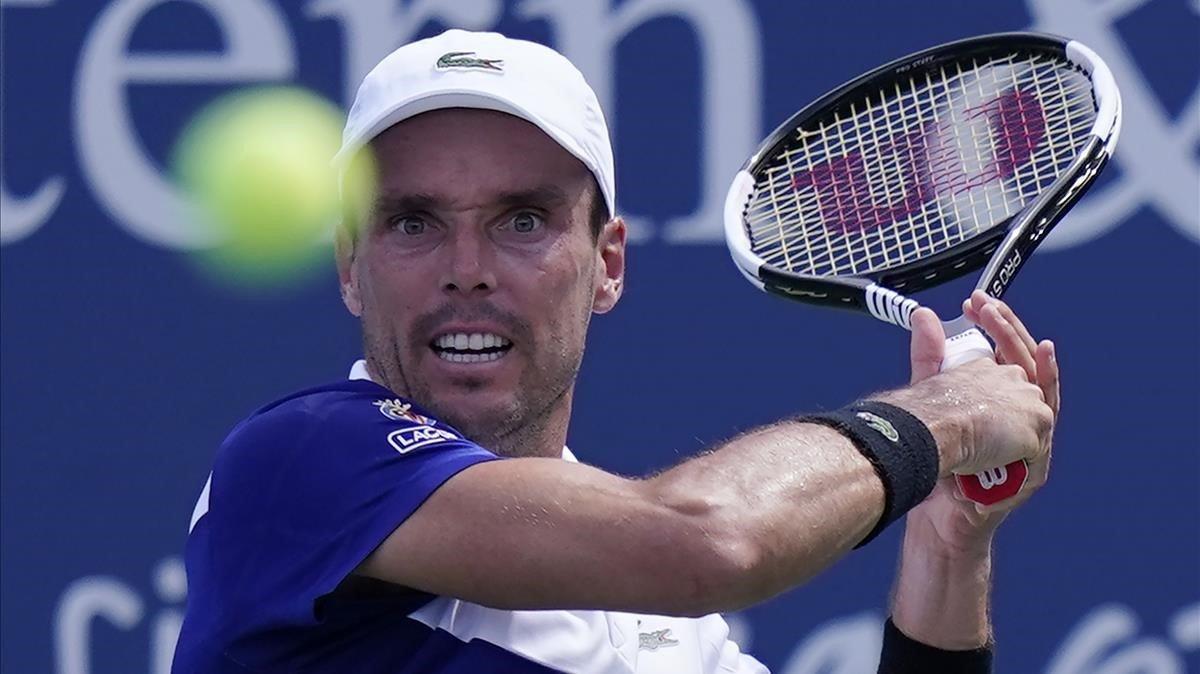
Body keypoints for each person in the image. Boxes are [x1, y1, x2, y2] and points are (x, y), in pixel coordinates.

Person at [172, 29, 1059, 674]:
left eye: (522, 220)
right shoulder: (299, 463)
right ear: (350, 268)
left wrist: (947, 550)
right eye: (414, 222)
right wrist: (940, 420)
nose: (467, 271)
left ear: (606, 265)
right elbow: (713, 542)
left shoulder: (669, 650)